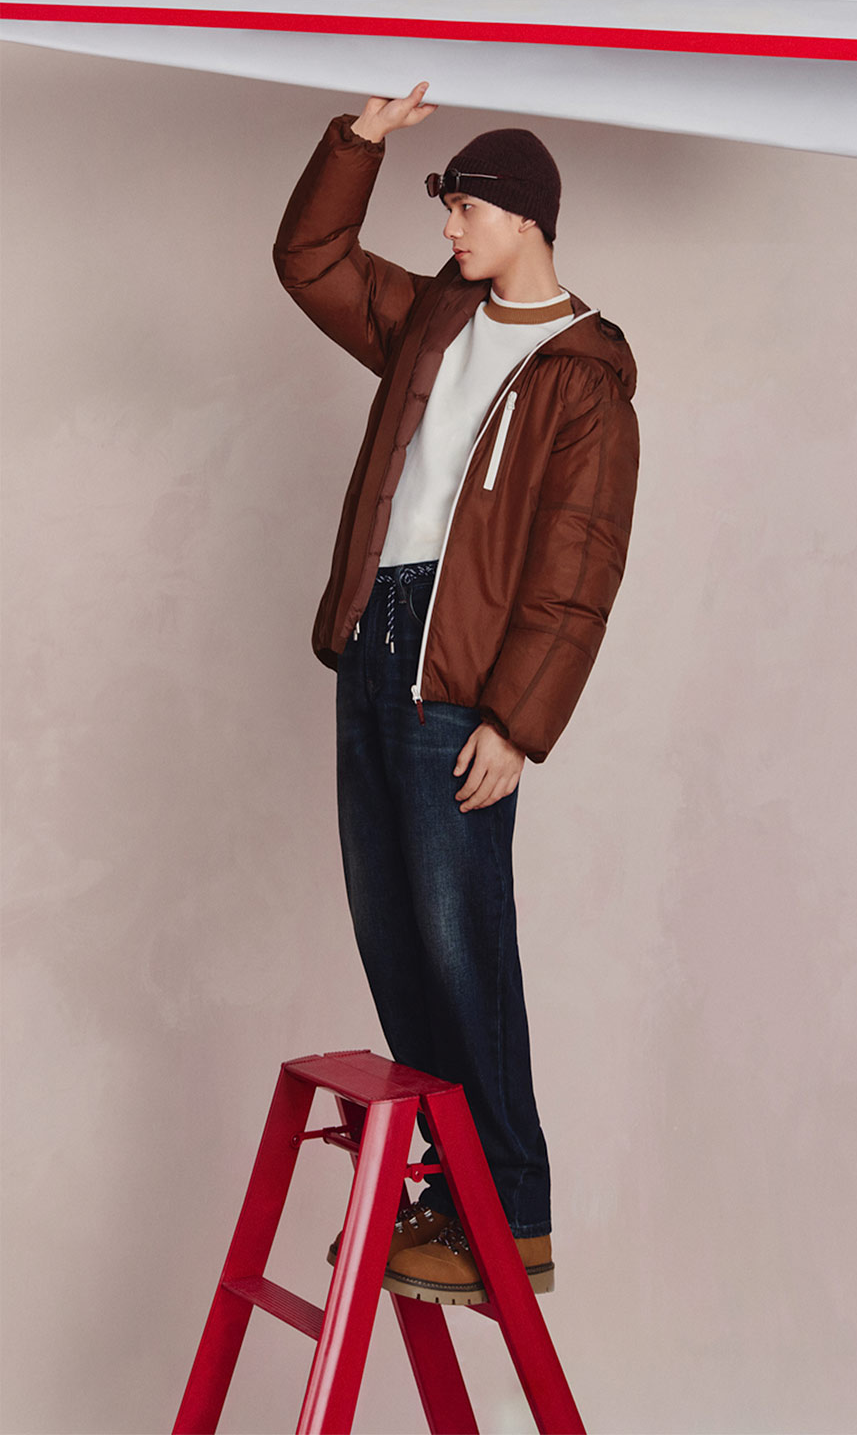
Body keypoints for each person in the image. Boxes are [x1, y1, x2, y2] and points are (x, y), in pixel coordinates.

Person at [273, 81, 639, 1306]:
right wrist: (357, 144)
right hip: (376, 646)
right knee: (393, 938)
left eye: (466, 210)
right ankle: (457, 1197)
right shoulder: (435, 318)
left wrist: (517, 724)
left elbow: (576, 568)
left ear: (526, 217)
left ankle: (514, 1214)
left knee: (459, 942)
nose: (448, 230)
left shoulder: (583, 374)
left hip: (463, 678)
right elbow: (311, 259)